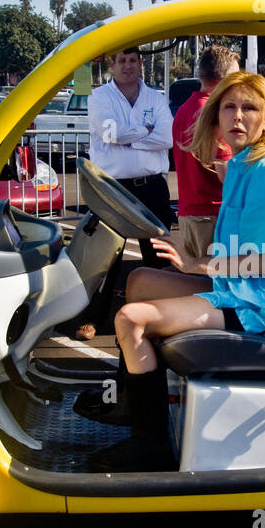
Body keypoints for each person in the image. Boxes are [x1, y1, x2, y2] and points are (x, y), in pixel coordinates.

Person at [79, 71, 265, 473]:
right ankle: (132, 401)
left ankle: (150, 447)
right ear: (217, 116)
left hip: (258, 307)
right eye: (229, 107)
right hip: (235, 288)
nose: (238, 116)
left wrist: (196, 264)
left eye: (250, 108)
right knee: (138, 281)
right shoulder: (242, 164)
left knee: (130, 319)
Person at [76, 47, 175, 339]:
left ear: (140, 63)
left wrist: (130, 138)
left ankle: (161, 318)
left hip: (152, 187)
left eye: (133, 60)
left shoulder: (155, 97)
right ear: (112, 65)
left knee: (158, 257)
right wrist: (147, 131)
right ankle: (93, 319)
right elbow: (109, 134)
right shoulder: (98, 97)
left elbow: (167, 137)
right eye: (122, 61)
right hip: (111, 188)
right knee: (105, 259)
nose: (128, 66)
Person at [171, 45, 240, 259]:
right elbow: (227, 174)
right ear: (224, 79)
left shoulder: (184, 109)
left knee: (194, 282)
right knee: (212, 287)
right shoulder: (215, 115)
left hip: (189, 214)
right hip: (213, 217)